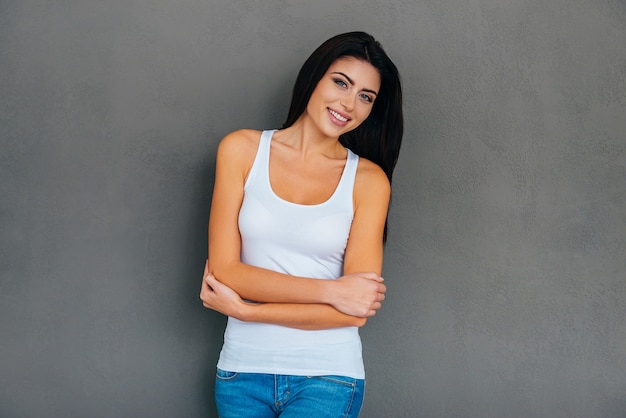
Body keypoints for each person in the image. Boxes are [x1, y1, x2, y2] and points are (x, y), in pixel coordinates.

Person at [200, 31, 403, 417]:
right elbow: (226, 272)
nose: (349, 103)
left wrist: (249, 311)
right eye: (341, 82)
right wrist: (332, 291)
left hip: (329, 377)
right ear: (314, 77)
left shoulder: (370, 181)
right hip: (241, 374)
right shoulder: (241, 150)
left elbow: (355, 308)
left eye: (365, 96)